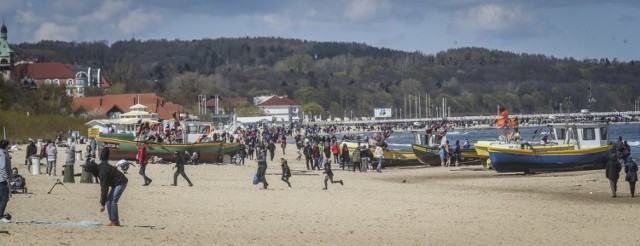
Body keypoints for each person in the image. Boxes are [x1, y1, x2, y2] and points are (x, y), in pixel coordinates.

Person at [84, 147, 128, 227]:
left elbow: (104, 189)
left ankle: (115, 221)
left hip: (121, 182)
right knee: (109, 201)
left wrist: (102, 204)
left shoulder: (102, 173)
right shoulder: (101, 165)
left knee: (113, 201)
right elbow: (105, 158)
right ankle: (113, 221)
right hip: (116, 183)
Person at [0, 140, 12, 223]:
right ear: (6, 146)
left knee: (1, 198)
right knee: (5, 198)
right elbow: (2, 168)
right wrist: (7, 179)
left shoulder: (4, 153)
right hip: (2, 179)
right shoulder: (2, 154)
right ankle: (0, 216)